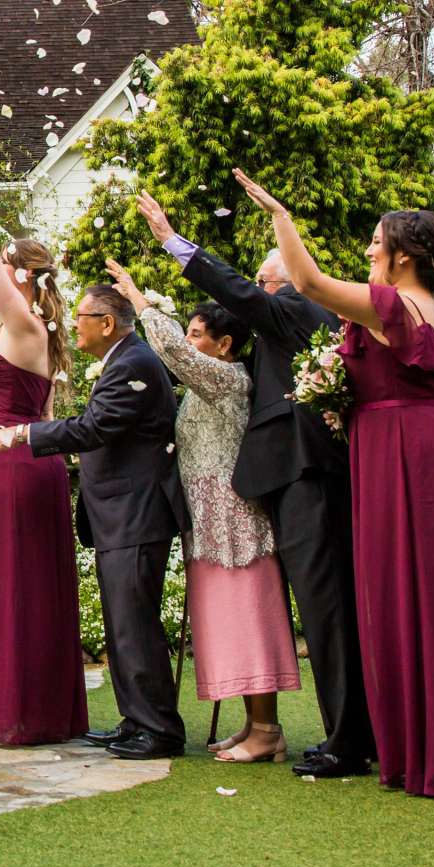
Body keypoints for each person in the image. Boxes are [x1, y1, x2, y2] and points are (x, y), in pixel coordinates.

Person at [233, 168, 434, 800]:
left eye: (377, 242)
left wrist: (280, 214)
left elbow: (307, 283)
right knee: (429, 598)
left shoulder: (391, 302)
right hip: (415, 447)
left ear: (404, 255)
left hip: (415, 454)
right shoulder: (424, 305)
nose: (370, 251)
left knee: (430, 599)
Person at [133, 189, 374, 780]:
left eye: (266, 281)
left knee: (327, 612)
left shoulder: (295, 307)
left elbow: (235, 291)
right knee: (323, 612)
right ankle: (349, 732)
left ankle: (347, 740)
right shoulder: (289, 323)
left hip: (304, 474)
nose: (258, 292)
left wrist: (172, 241)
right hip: (291, 475)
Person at [0, 283, 190, 760]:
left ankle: (159, 730)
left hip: (136, 514)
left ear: (106, 323)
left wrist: (24, 433)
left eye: (82, 315)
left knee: (134, 625)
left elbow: (96, 427)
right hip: (118, 517)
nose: (73, 322)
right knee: (123, 624)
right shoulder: (124, 360)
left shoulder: (136, 363)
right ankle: (135, 719)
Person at [115, 268, 300, 762]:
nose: (189, 342)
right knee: (227, 619)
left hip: (233, 519)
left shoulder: (228, 380)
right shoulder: (207, 385)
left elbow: (171, 352)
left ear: (224, 346)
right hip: (208, 518)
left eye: (199, 335)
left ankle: (266, 726)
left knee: (247, 617)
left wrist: (138, 298)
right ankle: (256, 725)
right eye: (191, 332)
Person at [0, 136, 86, 746]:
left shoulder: (25, 321)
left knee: (13, 587)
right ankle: (43, 710)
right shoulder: (48, 337)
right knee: (36, 586)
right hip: (38, 463)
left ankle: (20, 716)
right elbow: (51, 413)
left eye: (10, 266)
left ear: (24, 274)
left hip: (12, 466)